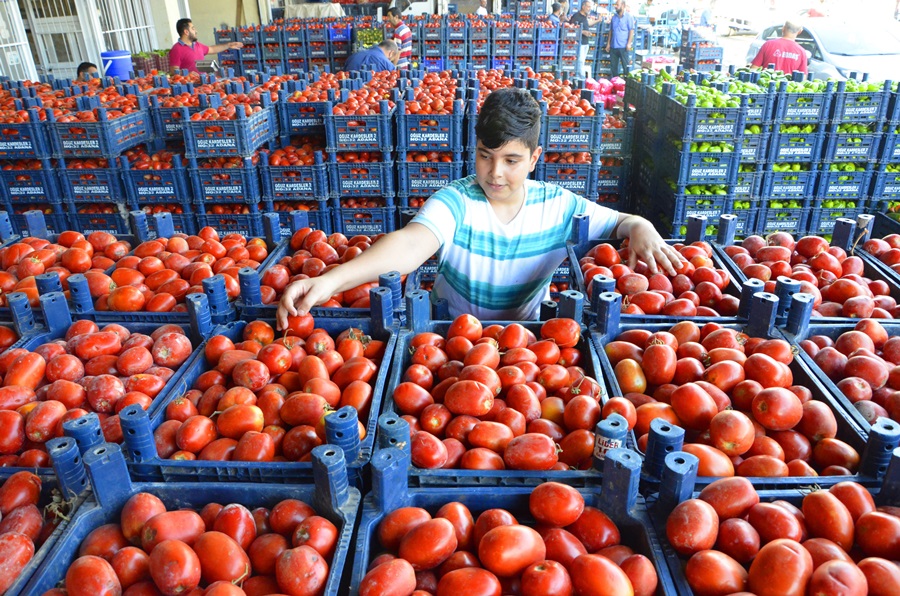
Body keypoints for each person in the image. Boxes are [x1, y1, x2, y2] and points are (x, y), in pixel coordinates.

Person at [276, 88, 682, 325]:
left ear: (535, 158)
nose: (495, 173)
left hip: (522, 338)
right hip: (448, 333)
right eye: (485, 155)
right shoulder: (456, 201)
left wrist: (640, 224)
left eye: (511, 160)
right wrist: (330, 281)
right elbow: (408, 245)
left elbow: (621, 222)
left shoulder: (559, 206)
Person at [169, 18, 242, 73]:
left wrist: (228, 45)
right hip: (189, 89)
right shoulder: (176, 49)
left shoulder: (197, 45)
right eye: (193, 29)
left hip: (203, 85)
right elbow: (174, 70)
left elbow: (212, 49)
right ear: (186, 32)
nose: (196, 31)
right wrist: (188, 74)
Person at [571, 0, 603, 78]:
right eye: (588, 6)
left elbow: (587, 24)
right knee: (580, 62)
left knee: (581, 62)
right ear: (583, 6)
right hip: (579, 43)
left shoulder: (584, 16)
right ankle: (581, 80)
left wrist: (597, 20)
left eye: (590, 7)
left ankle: (580, 79)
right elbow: (571, 29)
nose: (589, 9)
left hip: (585, 43)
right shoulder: (576, 16)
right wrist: (582, 32)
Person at [606, 0, 636, 78]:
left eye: (617, 4)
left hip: (623, 46)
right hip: (613, 46)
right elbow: (611, 31)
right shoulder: (614, 17)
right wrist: (608, 43)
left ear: (623, 6)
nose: (615, 6)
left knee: (626, 67)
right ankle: (615, 83)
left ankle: (627, 85)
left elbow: (631, 30)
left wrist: (629, 43)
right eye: (615, 4)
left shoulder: (629, 17)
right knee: (613, 68)